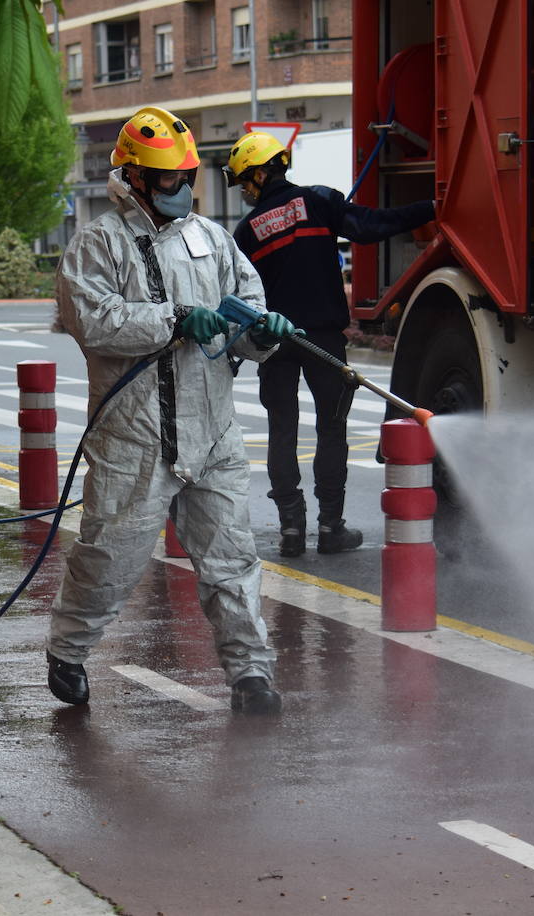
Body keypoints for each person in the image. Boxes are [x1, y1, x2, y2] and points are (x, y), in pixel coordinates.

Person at [47, 106, 296, 715]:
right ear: (133, 178)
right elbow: (94, 321)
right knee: (110, 556)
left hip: (212, 432)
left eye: (187, 177)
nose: (182, 188)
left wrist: (264, 333)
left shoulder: (212, 241)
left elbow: (247, 314)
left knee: (232, 559)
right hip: (135, 437)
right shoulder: (97, 245)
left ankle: (250, 675)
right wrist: (176, 319)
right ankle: (70, 650)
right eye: (168, 179)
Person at [228, 131, 437, 557]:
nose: (245, 191)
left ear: (264, 171)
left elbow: (237, 293)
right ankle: (330, 527)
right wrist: (428, 210)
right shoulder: (319, 200)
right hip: (322, 338)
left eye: (246, 180)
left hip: (274, 339)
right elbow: (367, 226)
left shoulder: (247, 231)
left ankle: (290, 531)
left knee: (281, 431)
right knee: (331, 428)